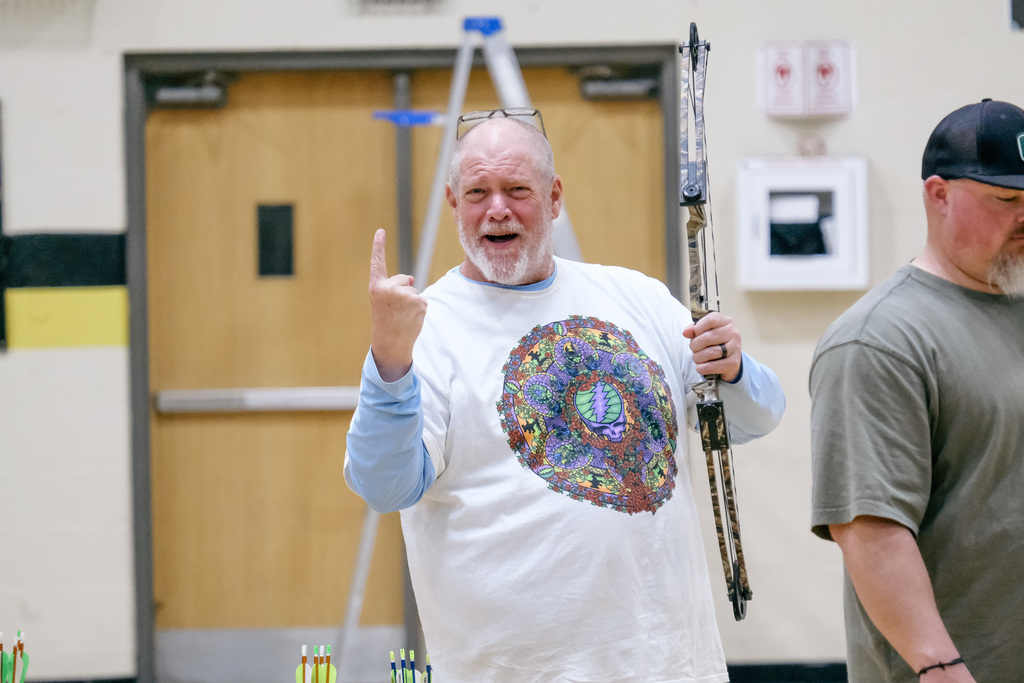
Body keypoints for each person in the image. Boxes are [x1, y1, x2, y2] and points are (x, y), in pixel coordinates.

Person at [346, 110, 786, 683]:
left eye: (517, 190)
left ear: (554, 198)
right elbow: (384, 486)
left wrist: (732, 370)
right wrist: (389, 361)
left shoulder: (638, 298)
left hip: (673, 664)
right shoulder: (424, 331)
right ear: (455, 204)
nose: (496, 209)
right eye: (477, 192)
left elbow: (756, 416)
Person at [810, 98, 1024, 683]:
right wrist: (944, 671)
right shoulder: (877, 341)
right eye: (1007, 201)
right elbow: (872, 532)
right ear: (939, 194)